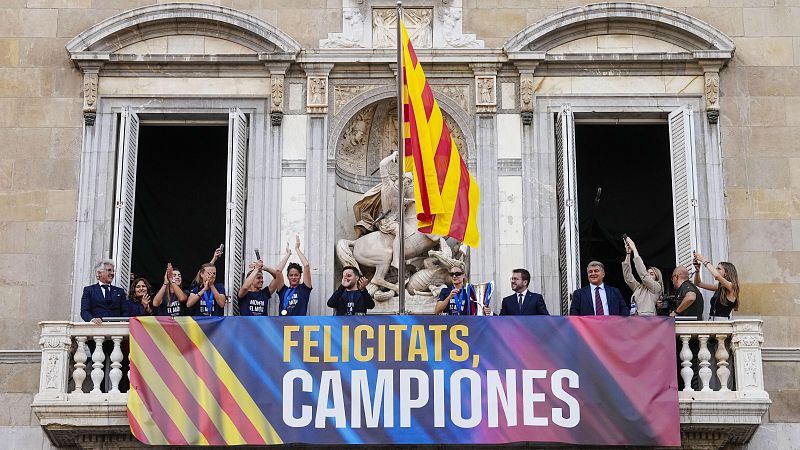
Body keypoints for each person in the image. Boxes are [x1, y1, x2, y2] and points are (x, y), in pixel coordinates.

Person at [622, 237, 664, 316]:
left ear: (657, 278)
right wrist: (628, 253)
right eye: (648, 273)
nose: (648, 275)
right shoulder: (639, 288)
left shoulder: (656, 287)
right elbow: (628, 277)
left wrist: (634, 248)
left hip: (648, 321)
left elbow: (643, 275)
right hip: (636, 321)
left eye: (651, 274)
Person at [693, 253, 740, 320]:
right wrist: (697, 271)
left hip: (722, 323)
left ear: (726, 273)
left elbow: (717, 276)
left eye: (719, 268)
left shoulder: (732, 286)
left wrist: (703, 260)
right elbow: (698, 283)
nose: (716, 270)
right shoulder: (719, 287)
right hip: (712, 322)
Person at [275, 236, 314, 316]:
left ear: (300, 276)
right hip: (283, 325)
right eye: (291, 275)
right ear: (288, 277)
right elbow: (278, 271)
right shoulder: (283, 290)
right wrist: (288, 254)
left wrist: (297, 249)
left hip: (299, 325)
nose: (293, 277)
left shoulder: (304, 289)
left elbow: (306, 265)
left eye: (296, 275)